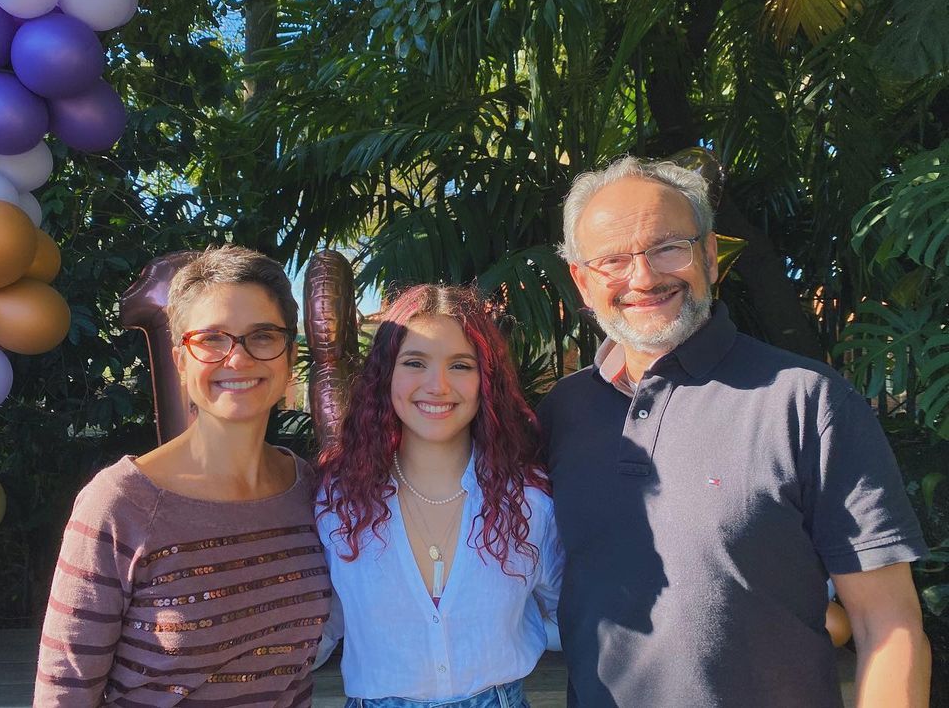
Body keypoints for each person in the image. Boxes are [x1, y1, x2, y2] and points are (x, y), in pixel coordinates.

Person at [539, 155, 931, 707]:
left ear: (710, 255)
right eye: (613, 261)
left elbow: (886, 625)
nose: (644, 277)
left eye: (667, 247)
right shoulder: (563, 411)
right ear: (582, 281)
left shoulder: (807, 402)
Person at [34, 246, 331, 707]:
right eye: (212, 339)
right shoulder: (122, 504)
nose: (237, 359)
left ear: (289, 357)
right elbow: (64, 692)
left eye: (263, 336)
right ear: (180, 361)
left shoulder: (308, 489)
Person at [316, 284, 563, 707]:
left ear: (487, 381)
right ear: (385, 374)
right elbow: (322, 628)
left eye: (461, 365)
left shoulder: (528, 500)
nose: (438, 385)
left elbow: (569, 614)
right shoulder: (338, 502)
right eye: (415, 362)